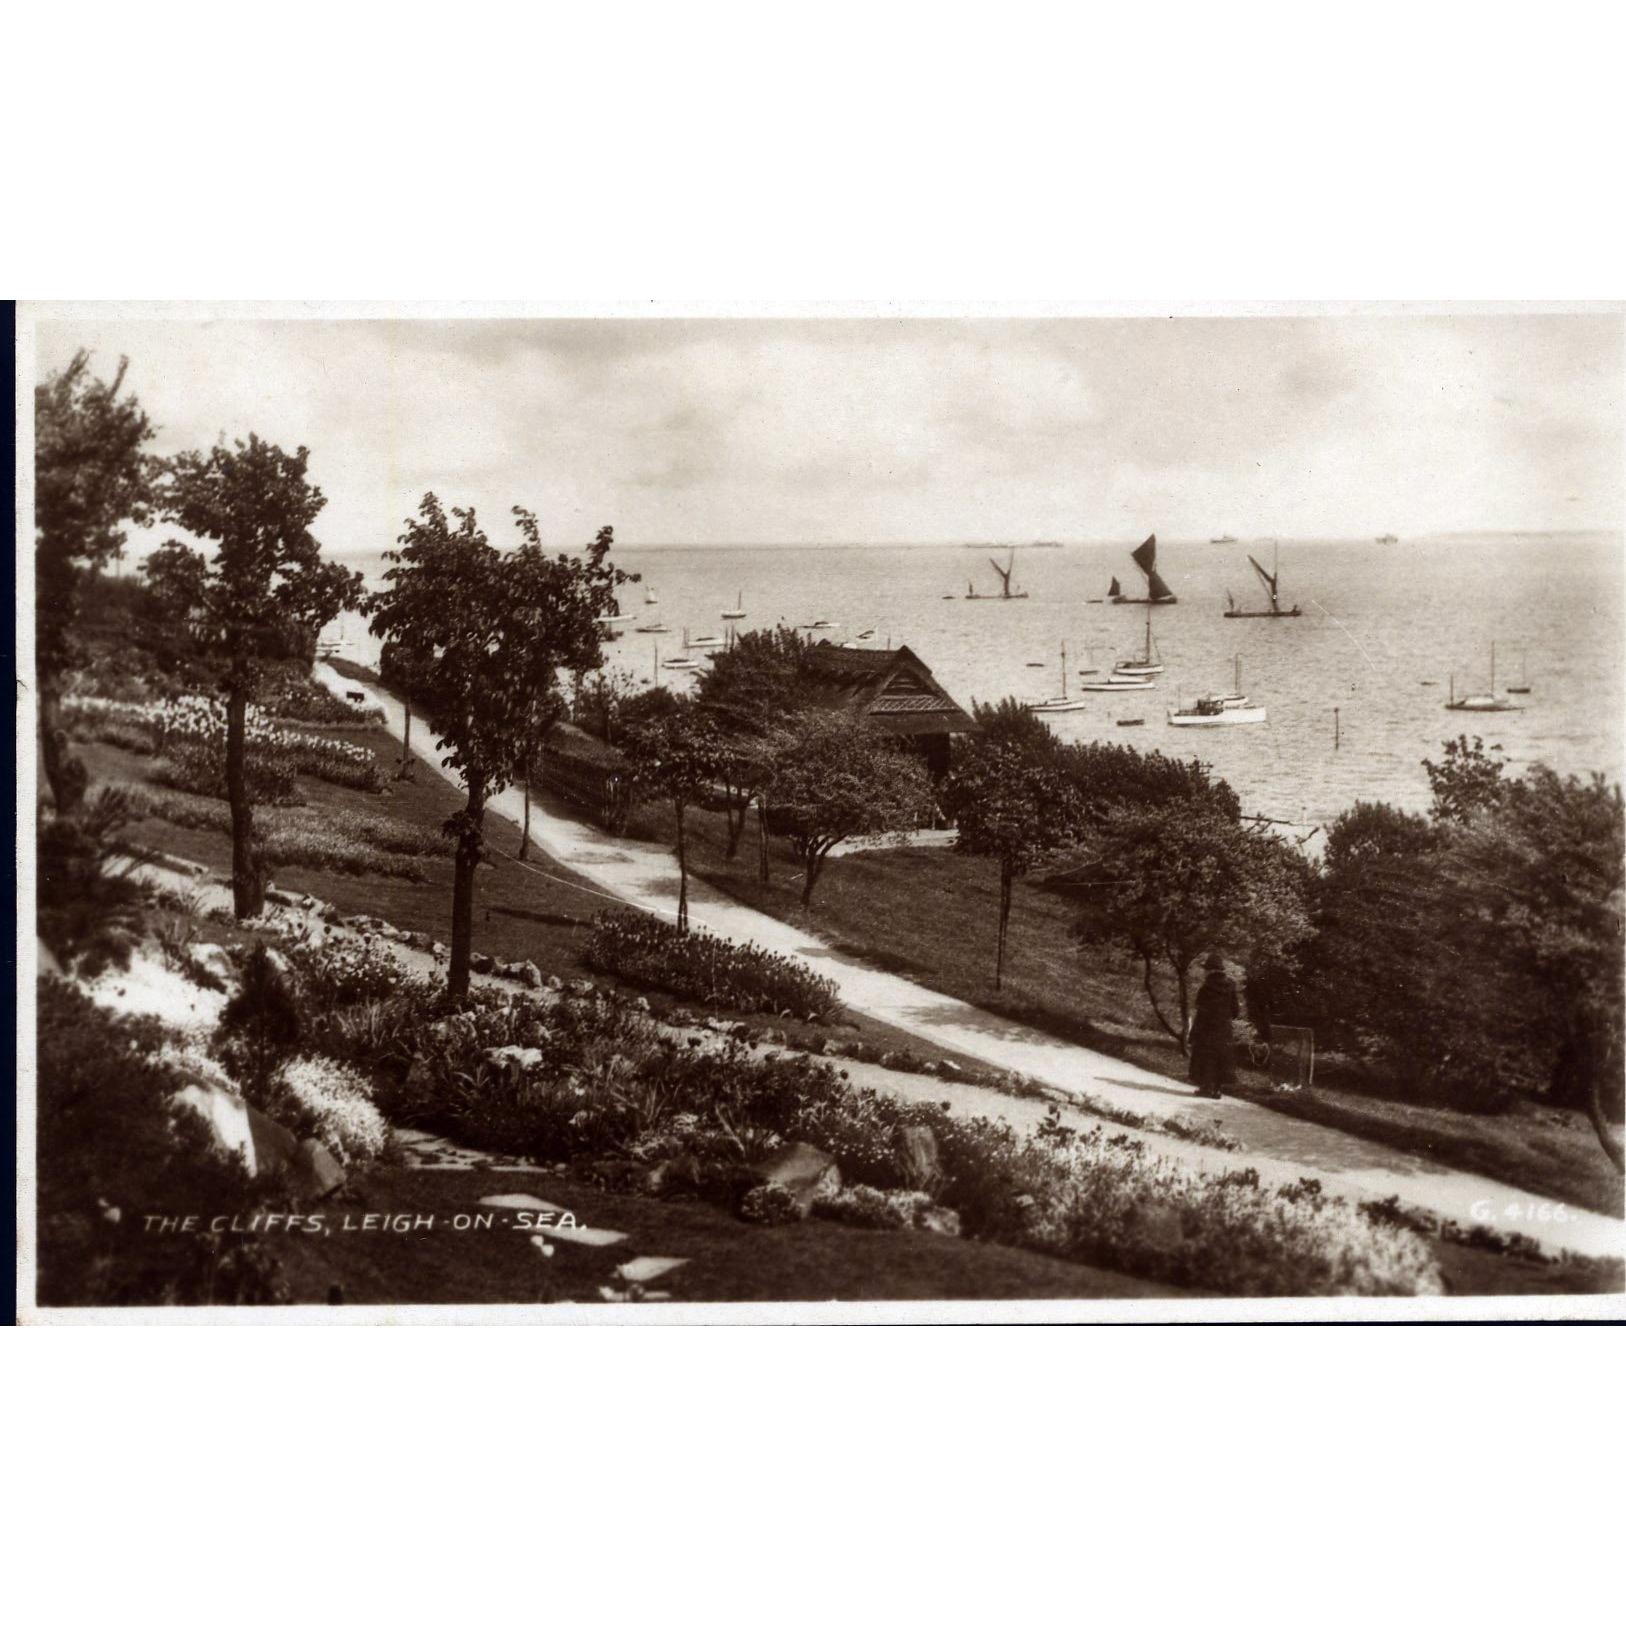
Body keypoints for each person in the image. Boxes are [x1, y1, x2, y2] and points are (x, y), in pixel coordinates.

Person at [1188, 951, 1238, 1099]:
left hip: (1207, 1027)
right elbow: (1236, 1011)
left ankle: (1206, 1088)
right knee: (1221, 1057)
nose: (1204, 972)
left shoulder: (1206, 988)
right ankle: (1217, 1090)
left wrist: (1195, 1031)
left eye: (1205, 969)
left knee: (1206, 1056)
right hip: (1224, 1028)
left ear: (1210, 970)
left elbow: (1200, 1010)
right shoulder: (1231, 986)